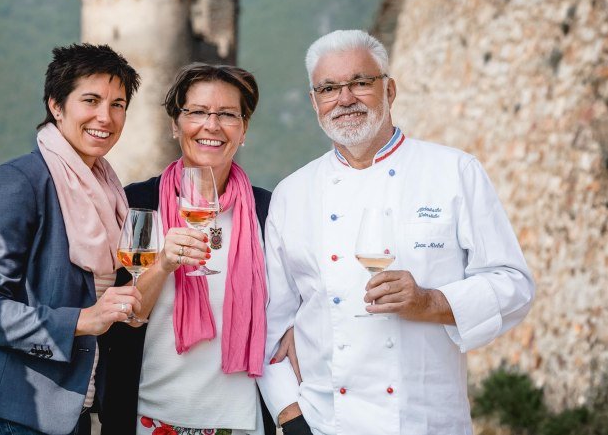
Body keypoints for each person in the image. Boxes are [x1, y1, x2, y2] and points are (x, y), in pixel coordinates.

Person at [258, 30, 535, 435]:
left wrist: (430, 301)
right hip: (325, 423)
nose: (345, 98)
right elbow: (269, 321)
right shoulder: (292, 193)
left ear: (389, 90)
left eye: (361, 82)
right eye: (329, 88)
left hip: (427, 422)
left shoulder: (454, 172)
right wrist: (290, 416)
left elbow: (514, 285)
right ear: (315, 102)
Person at [0, 43, 142, 435]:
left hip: (71, 410)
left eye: (118, 104)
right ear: (56, 105)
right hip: (12, 410)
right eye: (91, 100)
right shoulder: (17, 183)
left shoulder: (110, 192)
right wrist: (84, 319)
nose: (106, 116)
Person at [99, 63, 276, 435]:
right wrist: (163, 263)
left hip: (240, 422)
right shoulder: (136, 203)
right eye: (197, 112)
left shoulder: (269, 212)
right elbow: (117, 319)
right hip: (150, 418)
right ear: (175, 125)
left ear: (244, 129)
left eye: (227, 114)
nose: (212, 125)